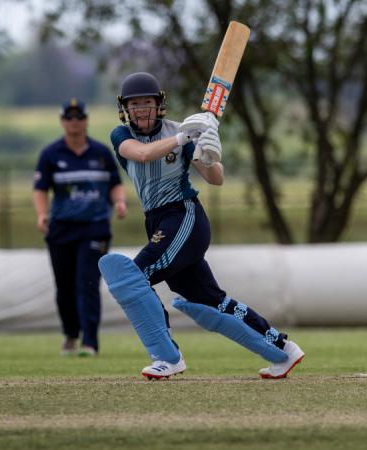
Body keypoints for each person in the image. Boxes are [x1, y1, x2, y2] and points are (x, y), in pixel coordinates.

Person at [99, 72, 304, 380]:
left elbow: (215, 178)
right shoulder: (123, 135)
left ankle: (167, 357)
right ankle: (282, 349)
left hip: (184, 216)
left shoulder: (182, 130)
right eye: (135, 104)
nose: (141, 109)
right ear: (125, 108)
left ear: (159, 105)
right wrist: (185, 138)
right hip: (157, 220)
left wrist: (209, 154)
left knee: (133, 277)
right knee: (210, 301)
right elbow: (141, 155)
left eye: (147, 103)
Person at [33, 98, 128, 357]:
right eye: (69, 118)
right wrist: (42, 215)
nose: (74, 122)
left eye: (79, 117)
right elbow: (40, 189)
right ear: (63, 121)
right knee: (64, 286)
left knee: (87, 282)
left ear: (86, 120)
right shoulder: (51, 154)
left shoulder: (100, 153)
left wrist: (119, 201)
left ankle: (90, 342)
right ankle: (71, 334)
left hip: (94, 227)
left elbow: (115, 183)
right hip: (61, 229)